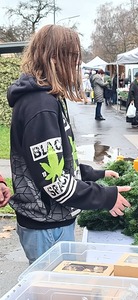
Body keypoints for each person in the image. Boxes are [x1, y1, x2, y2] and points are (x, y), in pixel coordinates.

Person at [7, 24, 131, 264]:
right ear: (54, 58)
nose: (77, 66)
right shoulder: (40, 106)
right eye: (73, 57)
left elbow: (57, 163)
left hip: (51, 223)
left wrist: (96, 173)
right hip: (46, 226)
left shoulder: (49, 98)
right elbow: (55, 182)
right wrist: (106, 197)